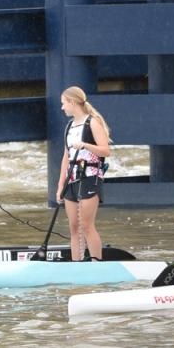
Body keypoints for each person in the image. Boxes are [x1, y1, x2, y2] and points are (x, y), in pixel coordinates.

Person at [53, 86, 112, 261]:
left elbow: (105, 151)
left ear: (72, 102)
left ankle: (96, 262)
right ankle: (76, 264)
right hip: (72, 178)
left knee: (86, 225)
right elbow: (66, 156)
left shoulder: (92, 122)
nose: (62, 107)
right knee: (74, 227)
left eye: (63, 103)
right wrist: (60, 185)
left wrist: (86, 145)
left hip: (90, 177)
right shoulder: (69, 126)